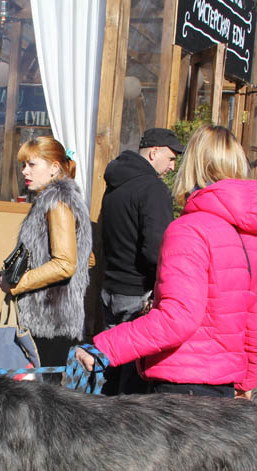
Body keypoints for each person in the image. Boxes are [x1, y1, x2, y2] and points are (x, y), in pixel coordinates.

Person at [74, 124, 257, 471]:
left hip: (178, 390)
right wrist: (247, 382)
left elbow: (178, 319)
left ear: (197, 167)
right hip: (220, 392)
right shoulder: (256, 241)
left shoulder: (190, 230)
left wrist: (105, 346)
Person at [97, 127, 184, 394]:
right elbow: (156, 249)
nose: (172, 166)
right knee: (133, 378)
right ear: (154, 152)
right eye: (170, 158)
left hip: (110, 288)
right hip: (138, 293)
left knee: (109, 366)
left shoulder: (114, 183)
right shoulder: (153, 189)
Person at [0, 136, 92, 366]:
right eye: (23, 165)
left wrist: (17, 283)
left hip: (49, 320)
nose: (24, 171)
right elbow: (85, 258)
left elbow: (65, 264)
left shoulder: (57, 202)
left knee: (38, 396)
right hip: (51, 317)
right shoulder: (54, 201)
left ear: (54, 168)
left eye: (32, 164)